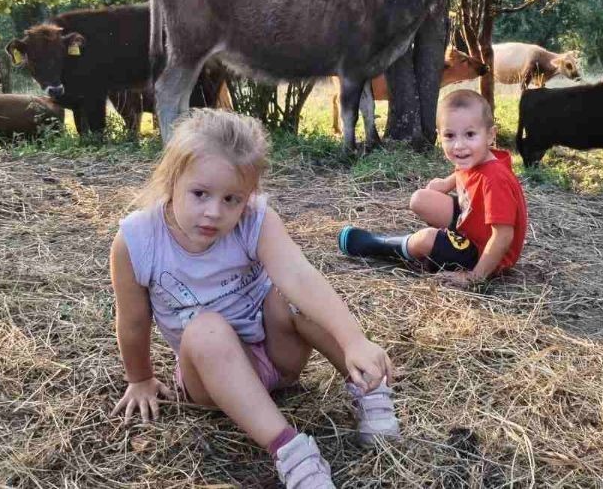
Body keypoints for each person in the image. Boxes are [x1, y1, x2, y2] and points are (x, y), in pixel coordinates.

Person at [111, 108, 399, 489]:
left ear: (249, 195)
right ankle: (290, 449)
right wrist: (141, 378)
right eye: (200, 194)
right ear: (172, 179)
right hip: (213, 381)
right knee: (205, 330)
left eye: (232, 199)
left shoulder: (255, 220)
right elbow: (132, 321)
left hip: (279, 357)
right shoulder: (137, 240)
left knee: (290, 295)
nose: (214, 212)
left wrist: (354, 340)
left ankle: (367, 385)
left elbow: (299, 276)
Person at [338, 89, 527, 286]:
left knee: (426, 239)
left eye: (470, 134)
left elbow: (503, 237)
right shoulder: (476, 157)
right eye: (450, 136)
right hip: (473, 222)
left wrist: (474, 277)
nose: (459, 145)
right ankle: (445, 245)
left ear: (490, 135)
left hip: (486, 255)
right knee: (421, 200)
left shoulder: (495, 180)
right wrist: (447, 183)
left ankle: (379, 245)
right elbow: (470, 174)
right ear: (440, 136)